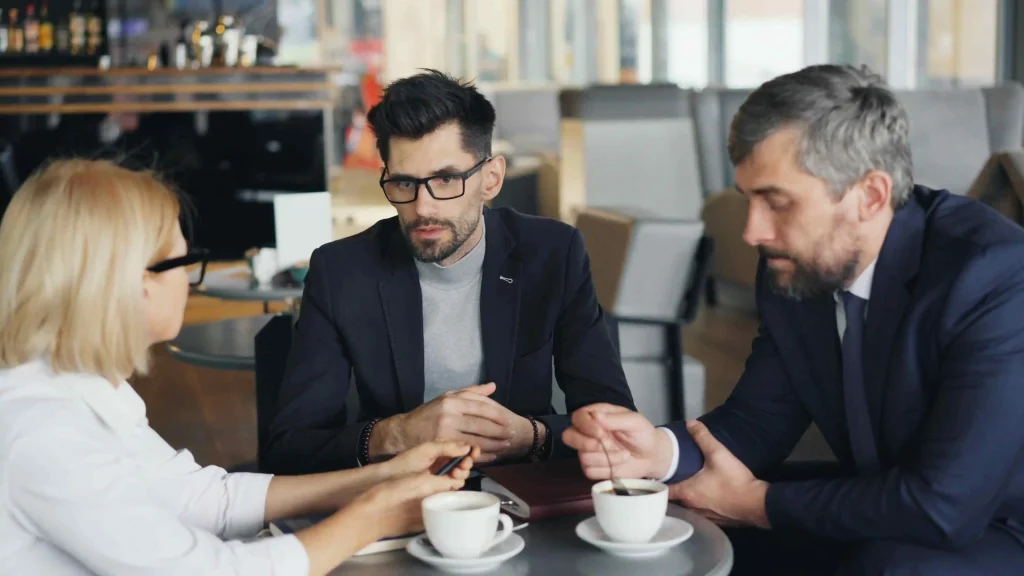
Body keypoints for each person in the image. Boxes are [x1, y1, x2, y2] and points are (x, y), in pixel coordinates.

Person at [563, 64, 1024, 575]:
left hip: (998, 523)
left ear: (870, 195)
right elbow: (759, 420)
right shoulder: (799, 262)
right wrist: (657, 451)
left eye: (777, 204)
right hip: (890, 497)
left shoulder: (994, 276)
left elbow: (945, 505)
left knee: (889, 568)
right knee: (677, 529)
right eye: (749, 200)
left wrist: (753, 503)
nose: (753, 232)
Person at [0, 159, 478, 576]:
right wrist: (377, 515)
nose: (189, 281)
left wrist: (383, 477)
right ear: (134, 281)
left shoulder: (79, 388)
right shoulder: (45, 433)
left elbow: (207, 500)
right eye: (184, 262)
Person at [264, 70, 634, 475]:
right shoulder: (341, 272)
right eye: (404, 183)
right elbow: (291, 444)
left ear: (491, 179)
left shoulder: (552, 254)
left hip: (518, 489)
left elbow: (614, 419)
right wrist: (399, 433)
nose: (423, 207)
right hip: (396, 492)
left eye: (445, 179)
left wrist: (530, 437)